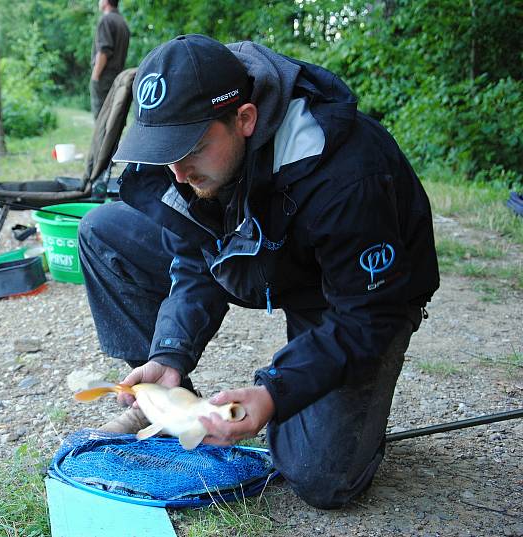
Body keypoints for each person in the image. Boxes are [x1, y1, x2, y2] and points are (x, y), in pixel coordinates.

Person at [78, 34, 439, 509]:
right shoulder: (187, 167)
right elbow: (194, 256)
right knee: (103, 231)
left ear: (244, 120)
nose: (179, 173)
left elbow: (370, 313)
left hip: (350, 297)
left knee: (320, 477)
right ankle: (175, 410)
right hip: (261, 256)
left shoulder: (347, 174)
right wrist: (169, 352)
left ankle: (356, 410)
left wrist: (273, 392)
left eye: (193, 148)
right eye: (167, 151)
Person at [90, 0, 130, 119]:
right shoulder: (123, 23)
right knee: (112, 118)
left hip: (104, 77)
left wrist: (95, 76)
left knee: (101, 118)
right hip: (118, 77)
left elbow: (104, 51)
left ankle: (100, 138)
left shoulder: (106, 20)